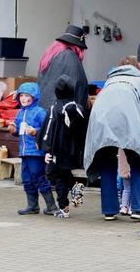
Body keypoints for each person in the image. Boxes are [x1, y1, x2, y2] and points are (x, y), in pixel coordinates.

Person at [84, 56, 140, 221]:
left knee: (107, 164)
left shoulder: (109, 81)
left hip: (101, 121)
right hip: (129, 119)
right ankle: (139, 208)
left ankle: (109, 210)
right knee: (137, 161)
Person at [38, 75, 86, 219]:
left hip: (57, 150)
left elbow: (48, 130)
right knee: (64, 174)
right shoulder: (79, 108)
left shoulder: (55, 108)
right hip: (74, 151)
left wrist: (47, 150)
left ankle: (64, 207)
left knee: (57, 176)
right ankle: (76, 186)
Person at [7, 82, 57, 216]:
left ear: (34, 97)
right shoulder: (20, 113)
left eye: (27, 96)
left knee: (39, 177)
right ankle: (32, 206)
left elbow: (48, 130)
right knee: (26, 179)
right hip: (24, 152)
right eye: (21, 96)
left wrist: (35, 131)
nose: (23, 99)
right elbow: (18, 130)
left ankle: (51, 206)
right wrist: (13, 130)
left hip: (36, 152)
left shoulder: (40, 112)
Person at [37, 25, 89, 112]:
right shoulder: (71, 57)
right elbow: (79, 85)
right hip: (60, 112)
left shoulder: (50, 55)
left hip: (43, 108)